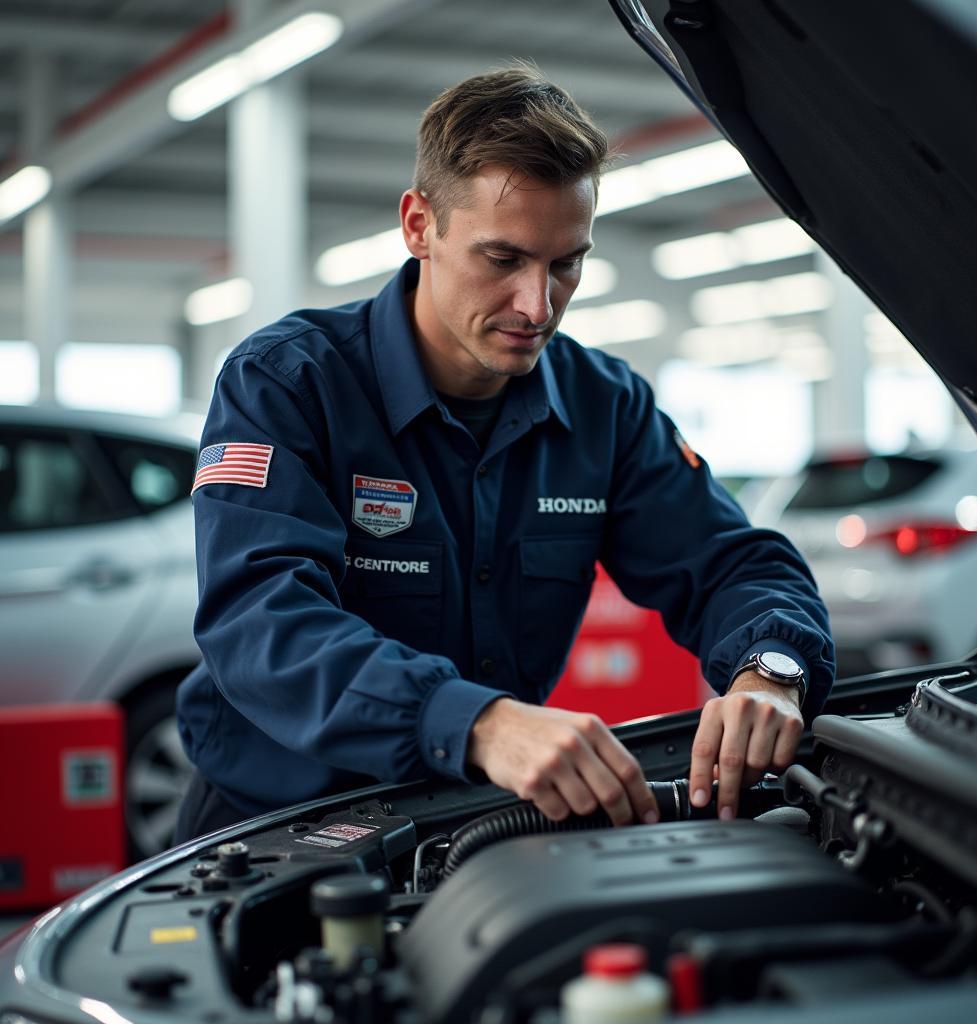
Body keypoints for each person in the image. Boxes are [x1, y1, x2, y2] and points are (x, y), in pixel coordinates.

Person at [173, 64, 834, 844]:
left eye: (566, 263)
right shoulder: (288, 382)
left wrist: (772, 668)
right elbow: (260, 622)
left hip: (480, 819)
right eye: (503, 259)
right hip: (274, 825)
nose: (538, 304)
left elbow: (733, 563)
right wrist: (476, 721)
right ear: (420, 225)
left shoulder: (604, 406)